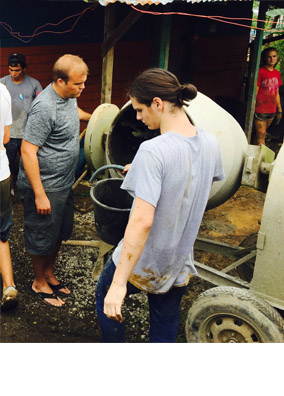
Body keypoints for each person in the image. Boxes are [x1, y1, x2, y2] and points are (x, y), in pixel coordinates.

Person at [95, 68, 225, 342]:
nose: (139, 118)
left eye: (140, 110)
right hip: (178, 260)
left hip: (143, 259)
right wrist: (143, 171)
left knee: (105, 301)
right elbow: (194, 186)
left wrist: (119, 284)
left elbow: (143, 221)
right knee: (164, 325)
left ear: (158, 103)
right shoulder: (211, 142)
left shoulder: (152, 150)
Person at [17, 54, 92, 307]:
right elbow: (27, 151)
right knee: (41, 235)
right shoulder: (45, 107)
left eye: (84, 83)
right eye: (78, 84)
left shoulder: (68, 98)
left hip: (63, 183)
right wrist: (39, 193)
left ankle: (49, 273)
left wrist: (95, 117)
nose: (83, 88)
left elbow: (74, 112)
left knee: (59, 232)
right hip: (45, 185)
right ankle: (39, 281)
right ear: (60, 81)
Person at [0, 53, 43, 193]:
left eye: (17, 70)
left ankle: (26, 189)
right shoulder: (3, 84)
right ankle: (10, 188)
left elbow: (41, 105)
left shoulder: (34, 84)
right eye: (11, 70)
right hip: (9, 133)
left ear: (24, 68)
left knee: (27, 163)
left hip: (27, 133)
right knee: (9, 162)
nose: (13, 73)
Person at [0, 83, 18, 311]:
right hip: (1, 174)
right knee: (2, 232)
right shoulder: (3, 90)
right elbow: (6, 137)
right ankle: (9, 286)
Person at [253, 47, 283, 146]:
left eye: (274, 56)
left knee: (260, 135)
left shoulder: (277, 73)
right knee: (261, 136)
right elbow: (255, 90)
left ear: (277, 57)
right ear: (265, 58)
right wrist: (252, 106)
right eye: (269, 57)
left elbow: (277, 92)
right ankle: (261, 159)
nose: (272, 59)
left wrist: (279, 109)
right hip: (260, 109)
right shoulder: (261, 71)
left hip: (272, 110)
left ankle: (252, 153)